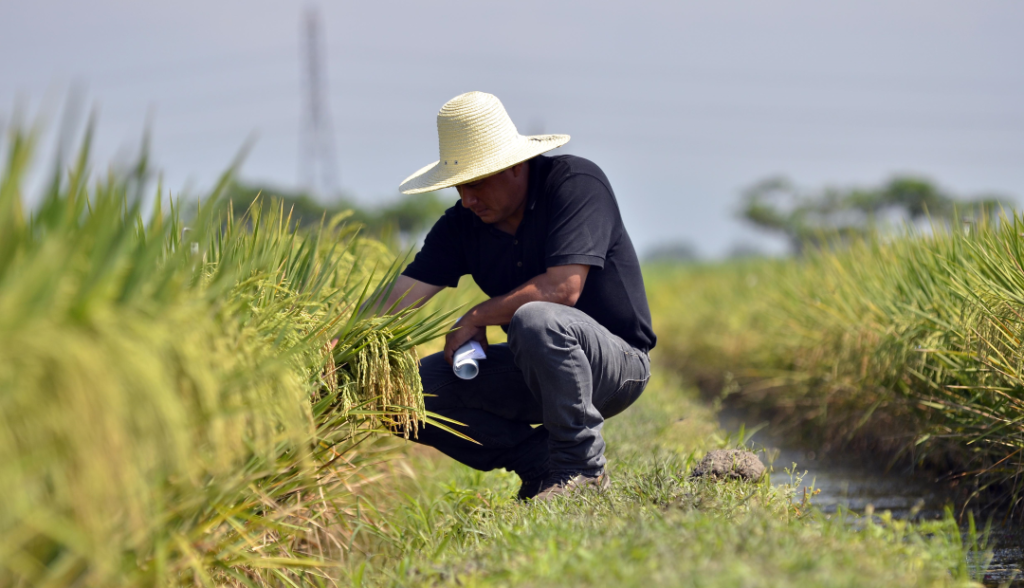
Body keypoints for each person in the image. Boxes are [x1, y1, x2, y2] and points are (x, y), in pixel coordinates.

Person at [383, 91, 656, 501]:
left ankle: (581, 470)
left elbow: (562, 289)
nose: (467, 199)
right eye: (459, 187)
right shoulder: (462, 224)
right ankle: (540, 466)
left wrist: (476, 316)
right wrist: (340, 347)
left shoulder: (575, 185)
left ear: (513, 166)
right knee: (398, 393)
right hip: (531, 367)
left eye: (476, 183)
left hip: (615, 365)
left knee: (536, 318)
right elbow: (400, 298)